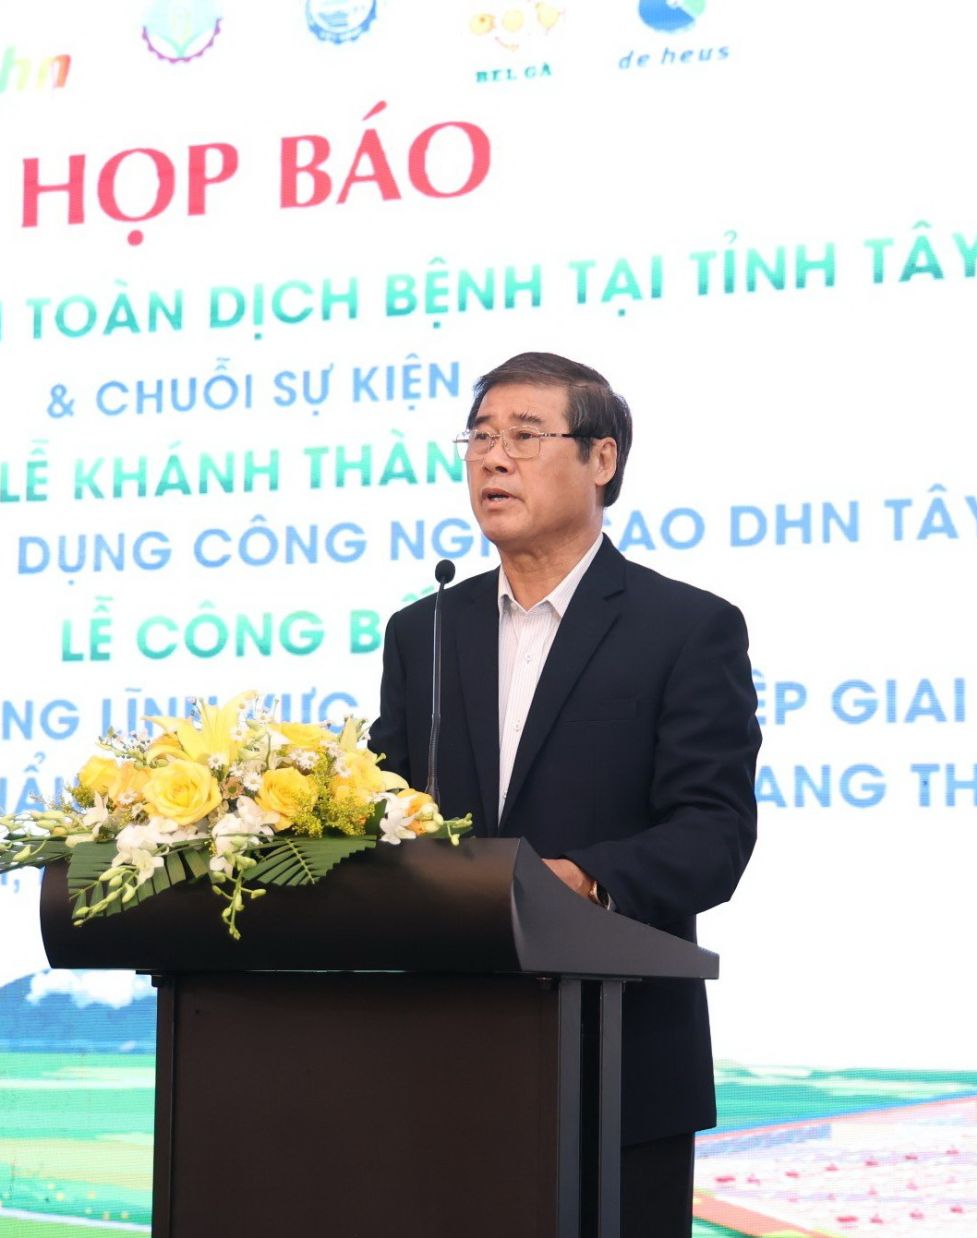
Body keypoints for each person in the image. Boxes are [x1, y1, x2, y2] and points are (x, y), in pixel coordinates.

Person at [369, 351, 761, 1237]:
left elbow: (713, 832)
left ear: (601, 459)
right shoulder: (425, 630)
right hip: (441, 1057)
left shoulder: (685, 627)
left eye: (523, 436)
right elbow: (387, 808)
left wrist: (580, 879)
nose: (493, 459)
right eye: (479, 438)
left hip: (618, 1058)